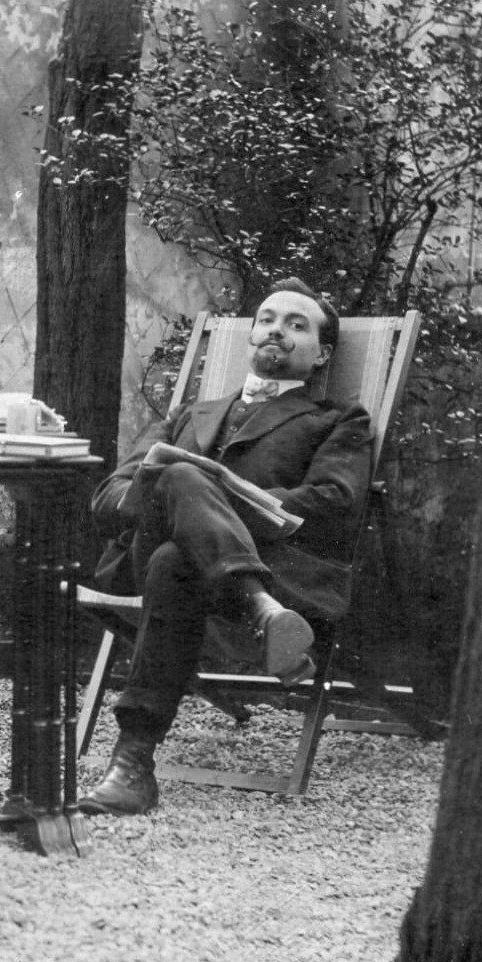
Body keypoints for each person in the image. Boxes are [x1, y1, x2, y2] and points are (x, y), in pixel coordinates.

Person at [81, 277, 373, 816]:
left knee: (177, 555)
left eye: (296, 324)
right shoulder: (191, 414)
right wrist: (172, 496)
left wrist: (213, 503)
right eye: (266, 319)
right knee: (179, 481)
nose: (276, 331)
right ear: (250, 334)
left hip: (276, 571)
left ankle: (133, 763)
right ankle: (261, 612)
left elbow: (335, 500)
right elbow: (109, 496)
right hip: (147, 564)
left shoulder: (338, 421)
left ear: (321, 354)